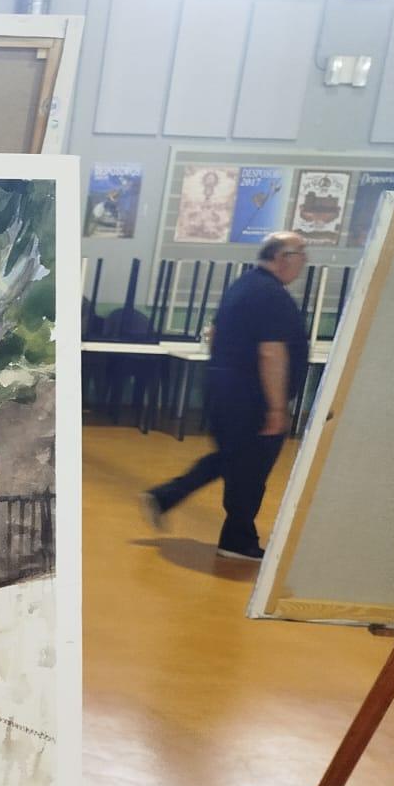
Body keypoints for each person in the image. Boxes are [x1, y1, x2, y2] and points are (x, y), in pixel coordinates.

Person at [141, 232, 310, 560]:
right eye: (301, 254)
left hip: (226, 392)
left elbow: (215, 333)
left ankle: (169, 498)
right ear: (282, 257)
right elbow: (271, 353)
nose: (304, 262)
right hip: (252, 399)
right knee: (250, 468)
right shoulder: (271, 295)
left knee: (233, 460)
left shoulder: (243, 285)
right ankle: (235, 540)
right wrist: (277, 408)